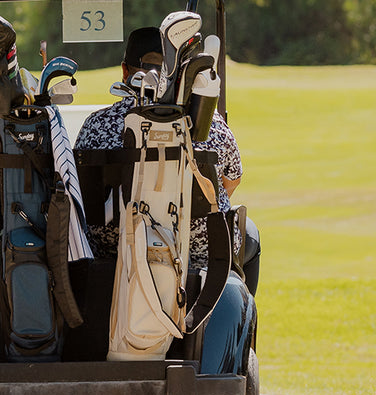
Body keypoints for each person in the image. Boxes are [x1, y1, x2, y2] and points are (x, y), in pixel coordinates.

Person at [75, 26, 260, 293]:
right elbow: (230, 183)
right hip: (197, 253)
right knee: (249, 231)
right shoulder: (211, 124)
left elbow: (84, 190)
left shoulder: (95, 125)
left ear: (125, 71)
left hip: (113, 249)